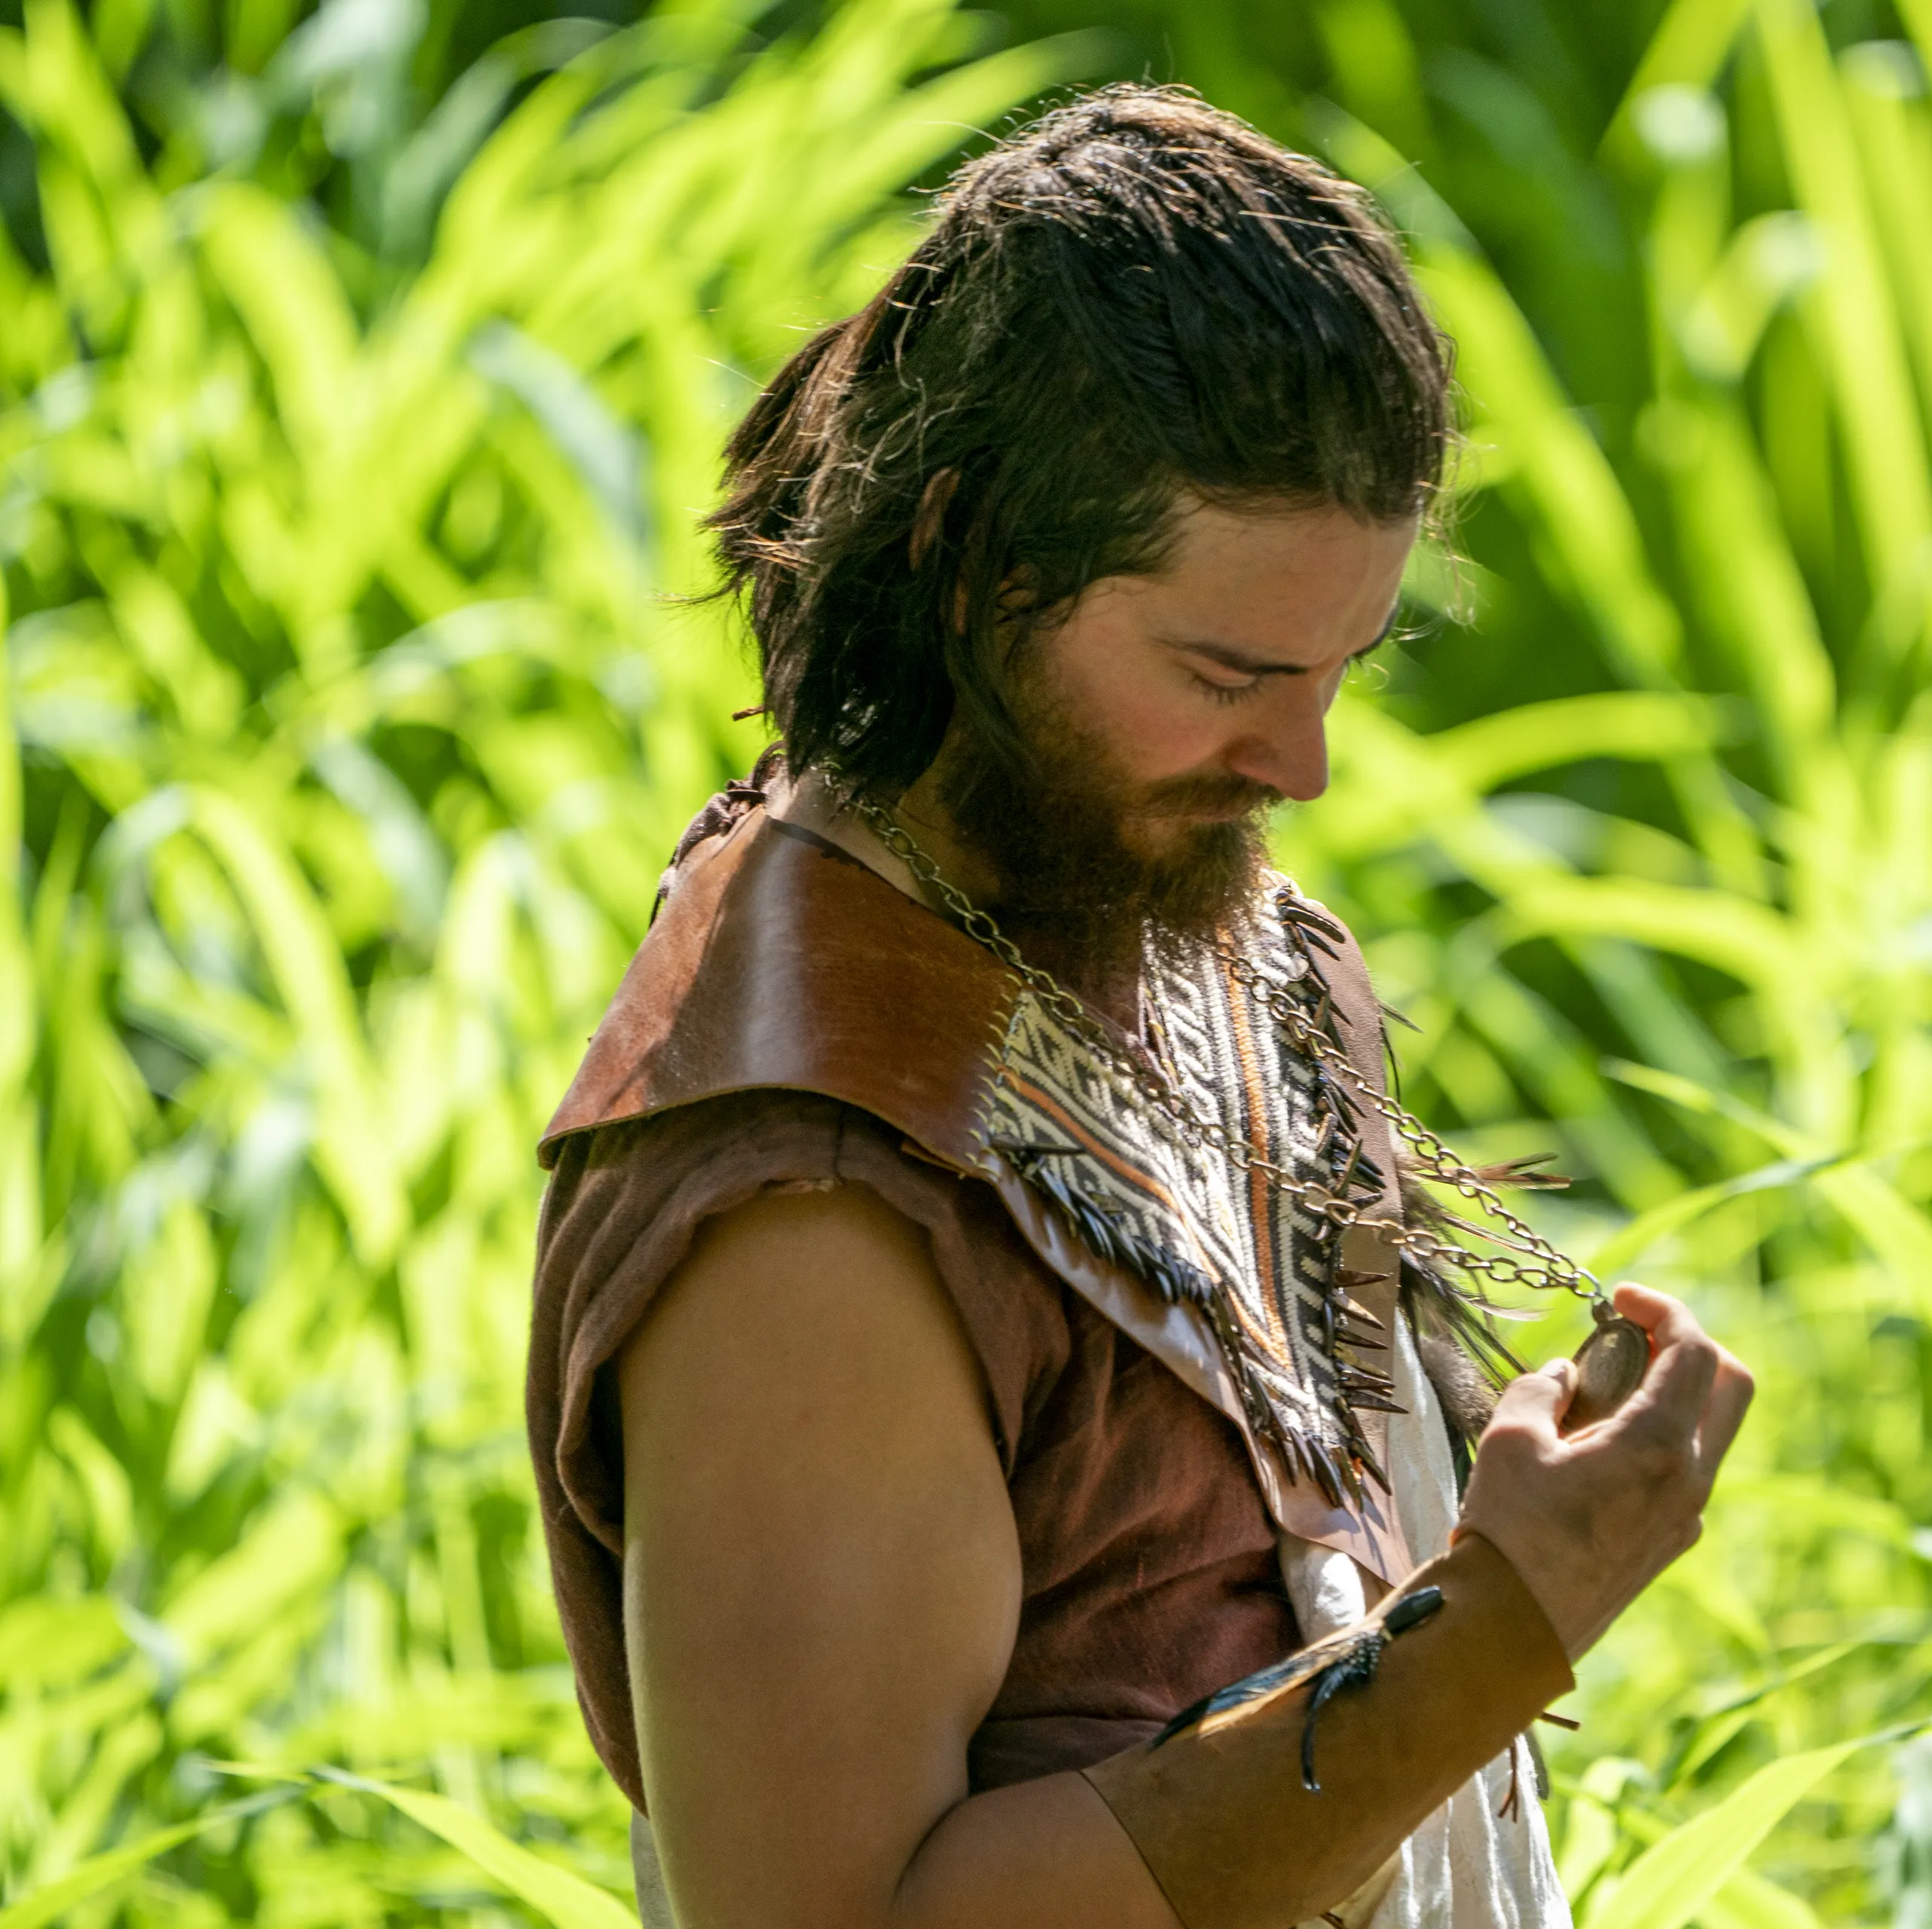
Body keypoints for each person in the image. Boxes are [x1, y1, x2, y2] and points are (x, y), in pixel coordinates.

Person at [526, 85, 1753, 1929]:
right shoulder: (811, 1219)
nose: (1304, 764)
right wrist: (1506, 1617)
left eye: (1344, 665)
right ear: (970, 562)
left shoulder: (1200, 919)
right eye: (1225, 672)